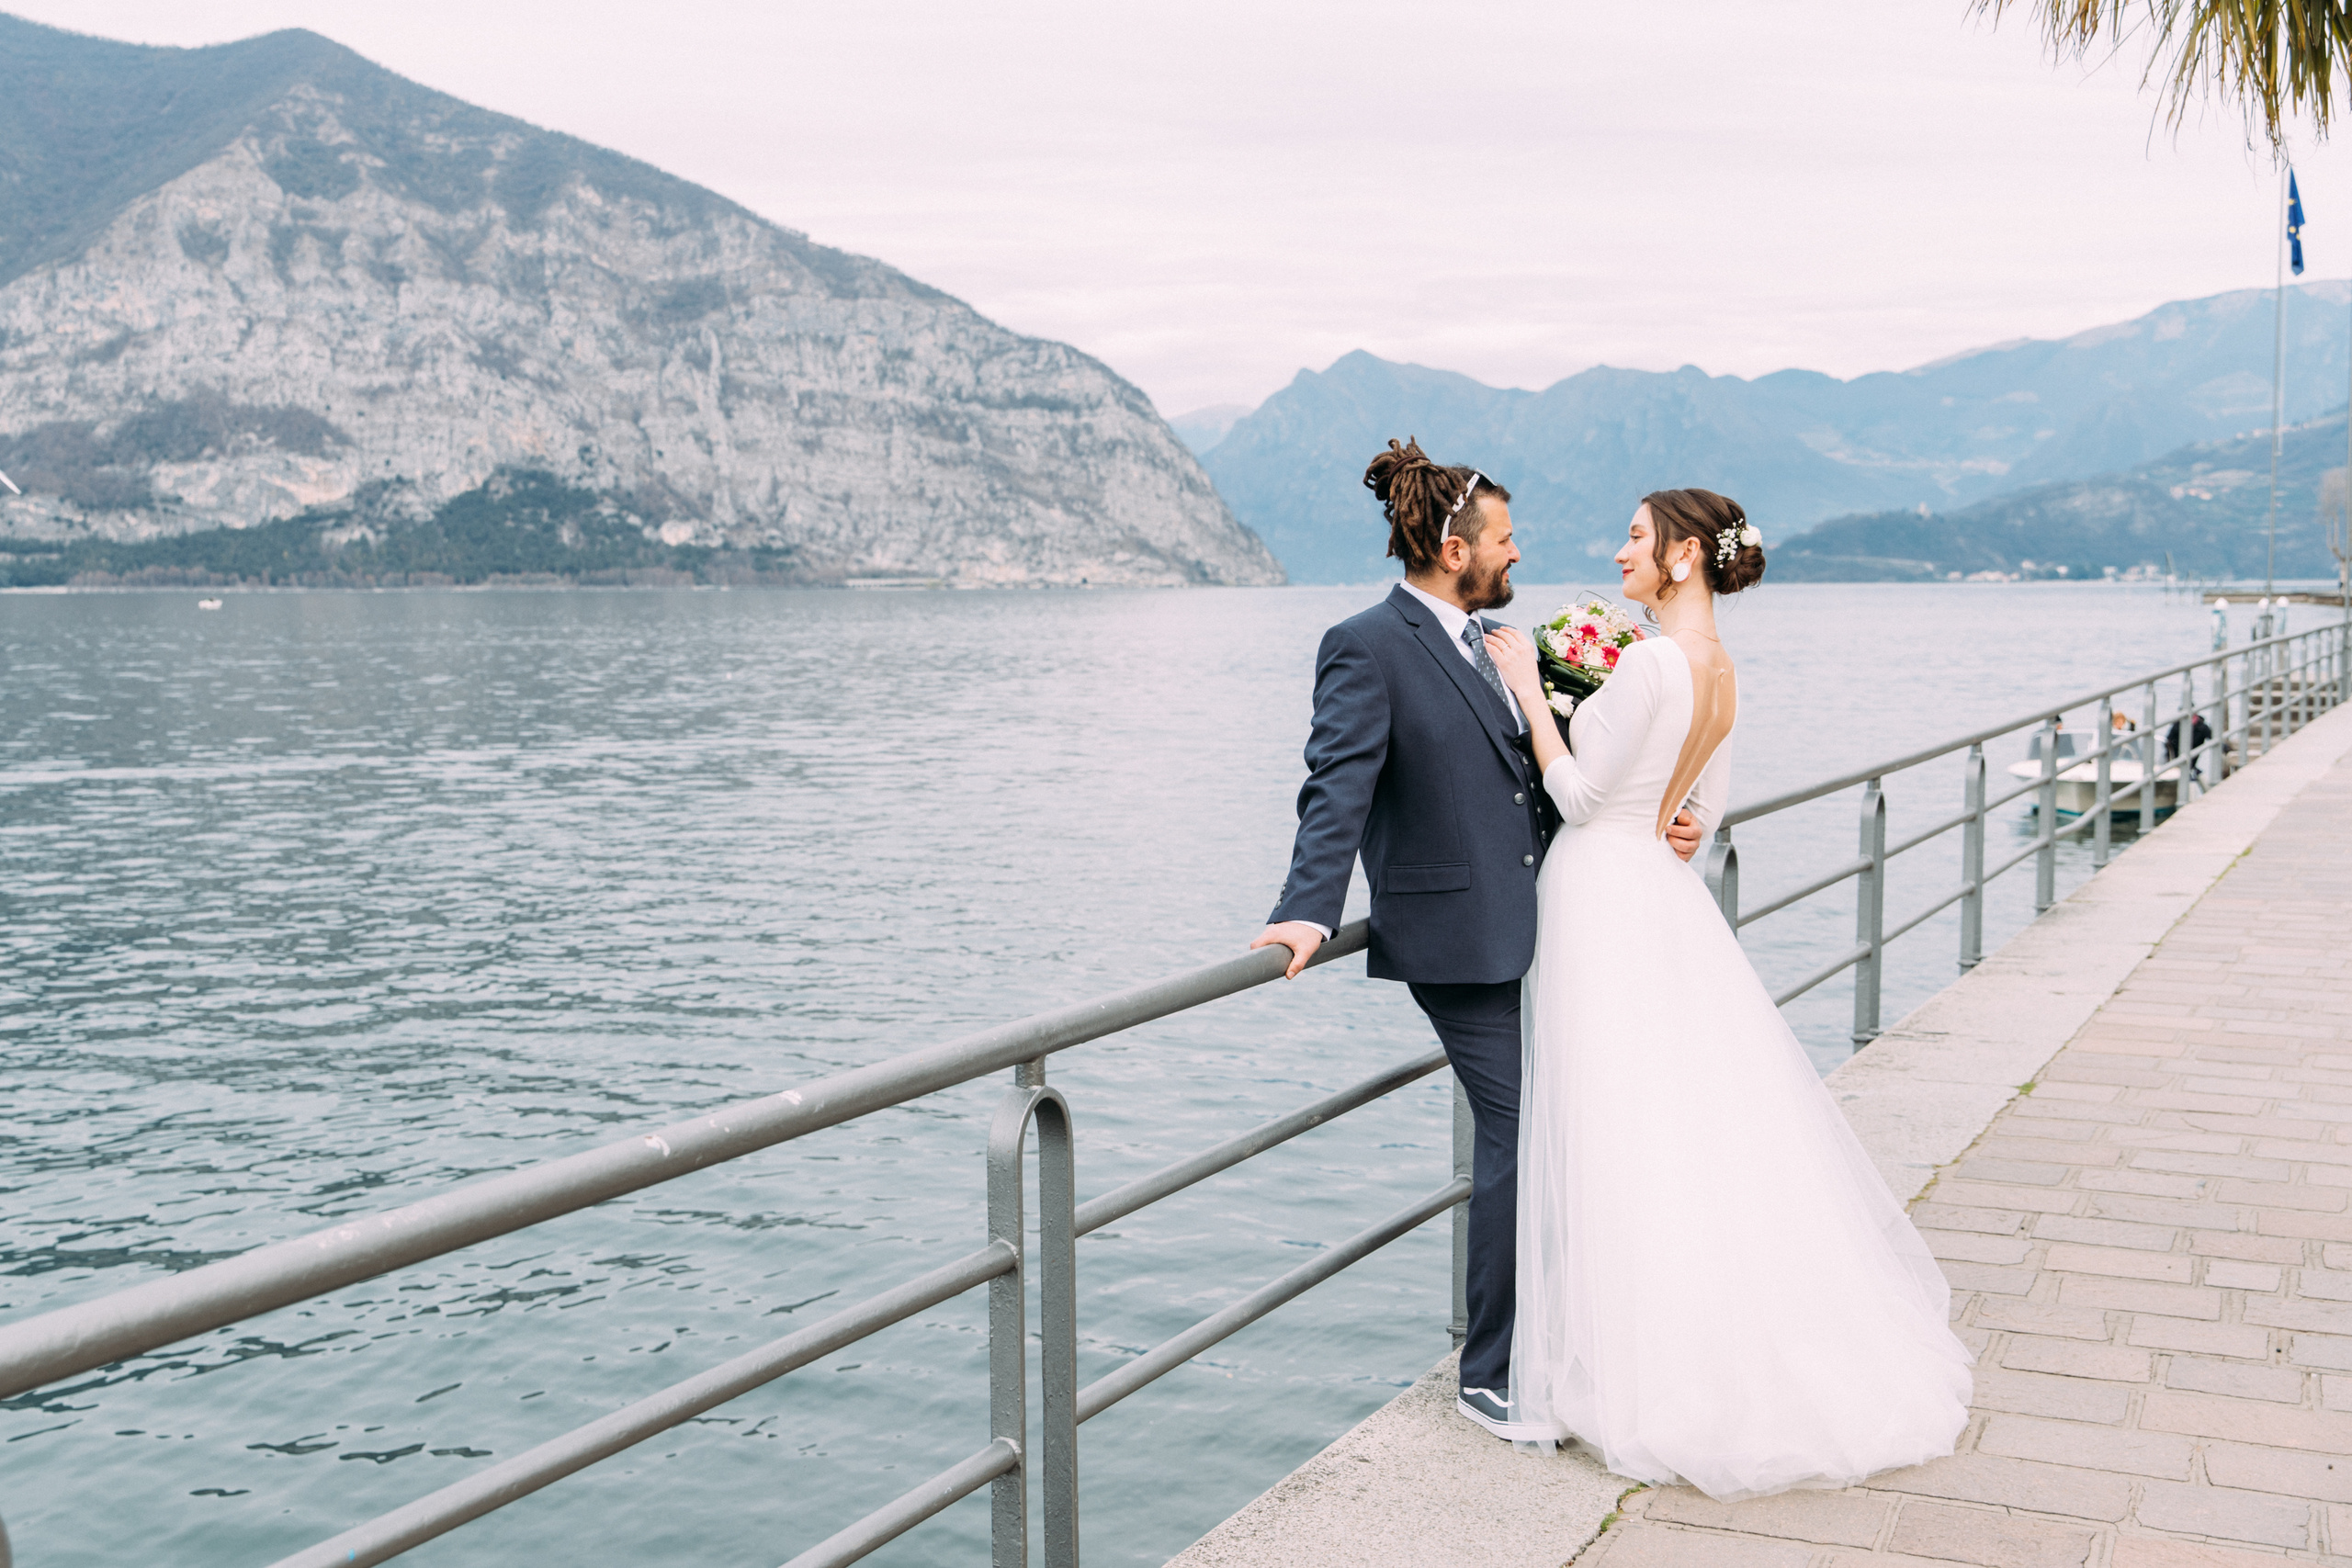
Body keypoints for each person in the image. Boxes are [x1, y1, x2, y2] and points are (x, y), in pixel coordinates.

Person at [1479, 490, 1973, 1500]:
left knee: (1613, 1117)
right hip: (1657, 894)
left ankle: (1630, 1361)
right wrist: (1673, 817)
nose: (1620, 551)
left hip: (1599, 892)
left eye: (1635, 537)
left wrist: (1531, 689)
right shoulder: (1720, 669)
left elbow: (1575, 797)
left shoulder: (1654, 662)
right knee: (1675, 1112)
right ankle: (1686, 1333)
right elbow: (1701, 814)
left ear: (1684, 555)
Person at [1250, 438, 1703, 1439]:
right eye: (1503, 538)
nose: (1516, 551)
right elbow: (1337, 786)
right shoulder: (1364, 644)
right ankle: (1488, 1372)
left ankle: (1557, 1336)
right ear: (1455, 549)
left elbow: (1535, 780)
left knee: (1562, 1121)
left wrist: (1659, 818)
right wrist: (1308, 907)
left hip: (1547, 914)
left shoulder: (1500, 644)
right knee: (1520, 1129)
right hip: (1455, 933)